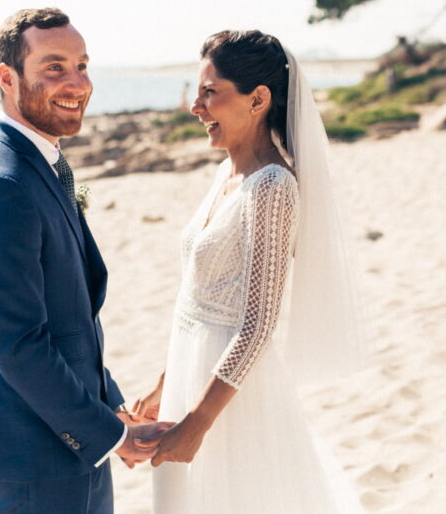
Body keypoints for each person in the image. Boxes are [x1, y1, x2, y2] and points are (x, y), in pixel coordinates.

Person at [0, 7, 171, 514]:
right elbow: (19, 343)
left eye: (82, 65)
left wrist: (111, 410)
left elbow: (69, 316)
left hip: (71, 436)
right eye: (54, 67)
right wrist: (109, 435)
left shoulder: (40, 163)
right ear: (7, 77)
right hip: (34, 448)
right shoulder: (0, 186)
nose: (77, 83)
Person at [135, 30, 368, 513]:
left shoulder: (272, 187)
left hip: (228, 396)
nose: (196, 107)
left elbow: (258, 325)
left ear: (258, 99)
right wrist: (164, 383)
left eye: (210, 93)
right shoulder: (227, 173)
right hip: (189, 374)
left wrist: (198, 424)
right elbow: (196, 297)